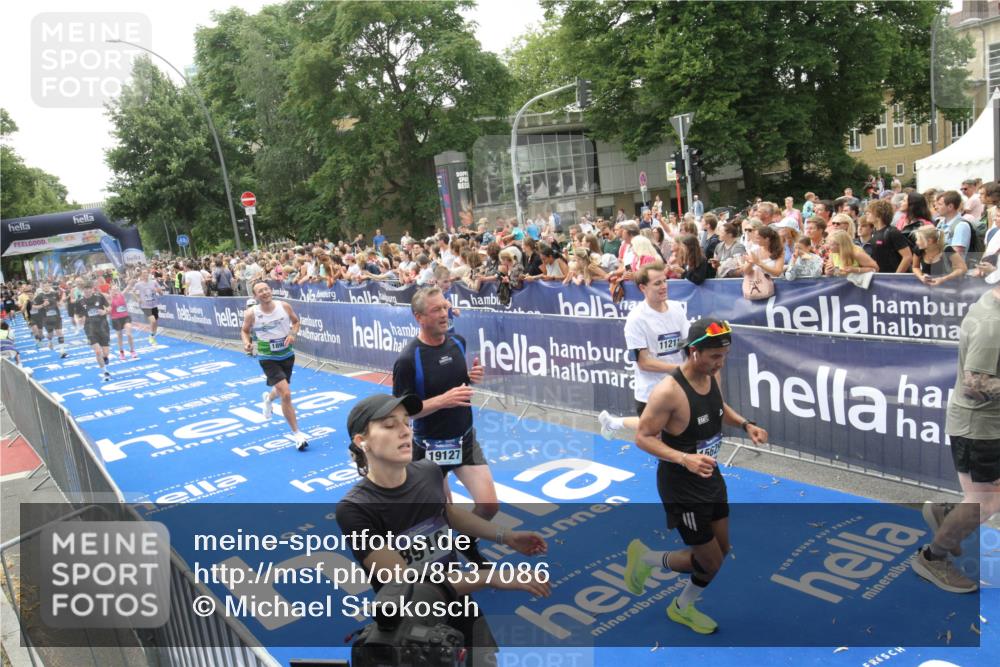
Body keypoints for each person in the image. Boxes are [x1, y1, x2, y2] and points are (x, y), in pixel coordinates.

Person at [335, 393, 550, 666]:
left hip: (459, 599)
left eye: (406, 422)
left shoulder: (428, 470)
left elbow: (446, 512)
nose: (405, 431)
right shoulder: (355, 510)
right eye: (389, 425)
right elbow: (409, 583)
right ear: (361, 441)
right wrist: (490, 577)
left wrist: (505, 536)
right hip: (411, 622)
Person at [625, 319, 768, 634]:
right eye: (715, 356)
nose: (721, 362)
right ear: (693, 352)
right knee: (711, 562)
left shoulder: (711, 375)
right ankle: (671, 593)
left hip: (710, 476)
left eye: (724, 355)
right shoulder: (668, 392)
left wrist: (746, 425)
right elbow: (643, 437)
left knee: (722, 551)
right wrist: (683, 458)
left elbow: (718, 407)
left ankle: (654, 569)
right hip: (682, 487)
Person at [392, 286, 495, 565]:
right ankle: (447, 572)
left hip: (464, 440)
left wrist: (471, 377)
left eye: (445, 307)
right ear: (419, 317)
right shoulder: (408, 359)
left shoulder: (458, 342)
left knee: (489, 505)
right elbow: (401, 413)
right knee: (443, 516)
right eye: (436, 309)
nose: (444, 314)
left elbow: (455, 383)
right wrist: (442, 401)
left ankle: (467, 543)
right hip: (429, 449)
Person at [914, 278, 999, 593]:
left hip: (986, 425)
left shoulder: (992, 303)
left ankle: (945, 512)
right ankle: (932, 558)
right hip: (980, 429)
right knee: (986, 503)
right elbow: (974, 385)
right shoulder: (992, 324)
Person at [599, 261, 689, 439]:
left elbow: (687, 343)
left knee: (676, 434)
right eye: (657, 283)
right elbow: (644, 363)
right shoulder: (636, 319)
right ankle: (613, 423)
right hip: (651, 393)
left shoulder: (677, 308)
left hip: (679, 388)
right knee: (658, 438)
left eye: (665, 281)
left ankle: (614, 423)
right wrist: (681, 369)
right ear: (642, 288)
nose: (664, 286)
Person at [241, 280, 309, 451]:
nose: (264, 292)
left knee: (280, 390)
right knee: (286, 393)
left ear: (271, 290)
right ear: (255, 296)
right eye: (260, 291)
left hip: (287, 355)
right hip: (267, 357)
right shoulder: (252, 313)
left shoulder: (284, 306)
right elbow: (245, 330)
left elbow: (296, 322)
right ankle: (297, 434)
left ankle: (268, 399)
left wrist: (293, 334)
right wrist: (247, 343)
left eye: (266, 289)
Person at [80, 282, 112, 381]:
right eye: (85, 289)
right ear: (83, 290)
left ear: (92, 289)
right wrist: (80, 320)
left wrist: (105, 311)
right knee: (98, 351)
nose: (87, 291)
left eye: (89, 288)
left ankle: (105, 357)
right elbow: (78, 315)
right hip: (90, 329)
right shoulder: (80, 301)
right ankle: (105, 372)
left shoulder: (99, 297)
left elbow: (109, 307)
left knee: (105, 352)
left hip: (103, 327)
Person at [129, 268, 164, 345]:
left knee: (155, 322)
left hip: (154, 305)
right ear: (141, 275)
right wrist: (137, 298)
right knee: (153, 320)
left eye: (146, 273)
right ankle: (151, 336)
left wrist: (158, 291)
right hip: (145, 306)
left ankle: (152, 337)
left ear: (148, 274)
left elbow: (161, 293)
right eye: (143, 273)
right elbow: (132, 291)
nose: (145, 274)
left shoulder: (154, 282)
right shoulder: (138, 284)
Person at [34, 282, 67, 358]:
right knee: (50, 334)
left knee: (59, 332)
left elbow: (59, 301)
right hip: (46, 319)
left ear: (50, 286)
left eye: (47, 286)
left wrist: (60, 303)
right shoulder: (39, 296)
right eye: (44, 286)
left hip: (56, 317)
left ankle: (62, 351)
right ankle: (50, 341)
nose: (46, 287)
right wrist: (42, 305)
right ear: (42, 287)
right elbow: (34, 306)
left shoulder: (54, 293)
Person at [108, 283, 136, 360]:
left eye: (116, 289)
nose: (115, 291)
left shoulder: (121, 295)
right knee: (119, 336)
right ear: (110, 291)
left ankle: (132, 350)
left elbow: (127, 287)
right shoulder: (109, 299)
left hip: (125, 317)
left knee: (129, 334)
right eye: (113, 290)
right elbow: (108, 309)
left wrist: (131, 282)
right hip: (116, 319)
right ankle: (121, 352)